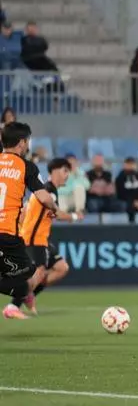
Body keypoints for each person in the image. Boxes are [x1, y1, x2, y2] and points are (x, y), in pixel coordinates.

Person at [0, 122, 60, 320]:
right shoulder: (26, 167)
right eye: (27, 141)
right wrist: (54, 208)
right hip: (7, 235)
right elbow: (44, 197)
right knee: (32, 277)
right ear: (22, 142)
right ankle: (14, 306)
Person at [7, 157, 77, 317]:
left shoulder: (46, 190)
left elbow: (25, 211)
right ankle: (13, 306)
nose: (67, 175)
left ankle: (28, 294)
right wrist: (74, 216)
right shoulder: (48, 191)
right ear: (55, 171)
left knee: (61, 268)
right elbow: (58, 214)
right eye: (65, 171)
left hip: (40, 237)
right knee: (39, 272)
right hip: (34, 238)